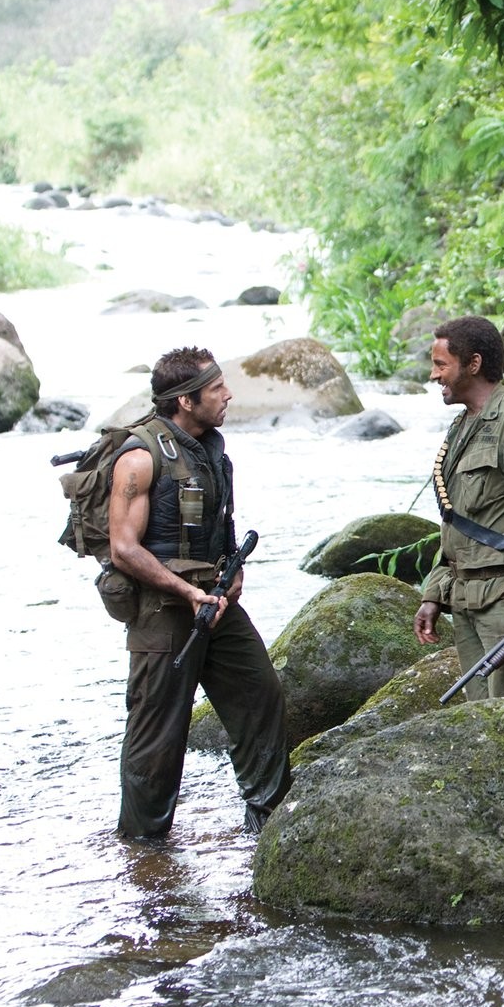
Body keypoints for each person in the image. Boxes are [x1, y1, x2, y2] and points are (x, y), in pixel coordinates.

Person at [106, 346, 291, 840]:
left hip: (215, 602)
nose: (228, 394)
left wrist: (231, 571)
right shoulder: (140, 458)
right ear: (185, 401)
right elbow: (124, 549)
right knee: (158, 736)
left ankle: (267, 823)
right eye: (216, 389)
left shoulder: (210, 446)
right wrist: (185, 591)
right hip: (162, 611)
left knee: (261, 694)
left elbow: (220, 518)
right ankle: (144, 846)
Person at [413, 316, 504, 707]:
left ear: (472, 364)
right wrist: (435, 594)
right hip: (466, 601)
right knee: (482, 723)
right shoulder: (461, 426)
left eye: (441, 365)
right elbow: (458, 522)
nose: (434, 374)